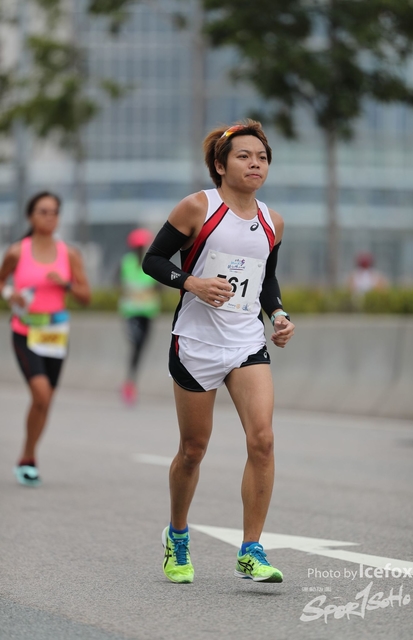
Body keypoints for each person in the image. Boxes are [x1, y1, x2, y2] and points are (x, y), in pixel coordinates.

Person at [143, 120, 295, 584]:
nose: (255, 164)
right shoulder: (198, 207)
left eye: (262, 158)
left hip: (246, 341)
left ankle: (251, 549)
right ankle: (177, 535)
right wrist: (192, 282)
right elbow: (152, 260)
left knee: (263, 440)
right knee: (193, 450)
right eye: (245, 156)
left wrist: (278, 314)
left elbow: (265, 278)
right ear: (221, 165)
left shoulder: (272, 221)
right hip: (196, 342)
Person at [0, 192, 91, 486]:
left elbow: (86, 296)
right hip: (25, 331)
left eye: (54, 212)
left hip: (55, 335)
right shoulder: (17, 252)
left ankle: (28, 457)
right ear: (30, 216)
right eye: (43, 211)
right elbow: (1, 280)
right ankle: (28, 458)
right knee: (40, 394)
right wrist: (9, 294)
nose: (50, 217)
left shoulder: (69, 254)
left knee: (46, 400)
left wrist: (65, 284)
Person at [119, 228, 161, 405]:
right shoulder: (126, 263)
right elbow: (117, 282)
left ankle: (131, 381)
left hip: (148, 312)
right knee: (135, 343)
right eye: (138, 246)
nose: (140, 249)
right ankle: (130, 383)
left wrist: (149, 291)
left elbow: (159, 286)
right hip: (131, 312)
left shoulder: (151, 263)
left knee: (140, 348)